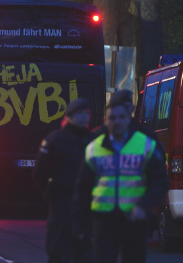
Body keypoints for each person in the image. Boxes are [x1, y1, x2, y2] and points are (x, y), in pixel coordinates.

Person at [72, 96, 168, 263]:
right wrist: (80, 224)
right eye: (112, 118)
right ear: (105, 121)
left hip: (134, 220)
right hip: (103, 220)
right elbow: (82, 189)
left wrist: (144, 206)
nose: (117, 121)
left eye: (121, 117)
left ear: (128, 119)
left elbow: (160, 182)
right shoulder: (94, 147)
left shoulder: (145, 144)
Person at [33, 98, 93, 263]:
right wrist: (51, 192)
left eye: (85, 114)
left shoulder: (93, 141)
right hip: (62, 202)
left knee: (85, 252)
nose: (82, 117)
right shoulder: (55, 140)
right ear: (69, 117)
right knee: (59, 251)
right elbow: (40, 173)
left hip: (86, 204)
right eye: (78, 114)